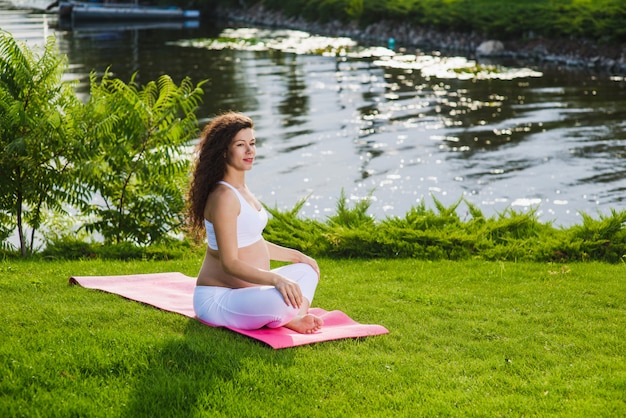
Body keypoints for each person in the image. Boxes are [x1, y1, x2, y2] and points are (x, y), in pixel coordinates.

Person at [187, 111, 324, 334]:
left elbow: (252, 241)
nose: (250, 151)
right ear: (224, 152)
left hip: (250, 291)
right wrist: (276, 279)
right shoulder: (223, 197)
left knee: (306, 271)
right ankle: (288, 316)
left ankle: (294, 316)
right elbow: (229, 262)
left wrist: (297, 256)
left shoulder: (241, 190)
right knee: (281, 298)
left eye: (252, 143)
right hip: (220, 298)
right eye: (241, 145)